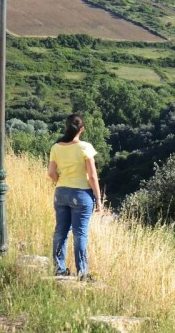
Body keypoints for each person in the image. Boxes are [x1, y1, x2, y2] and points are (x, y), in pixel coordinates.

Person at [47, 114, 102, 279]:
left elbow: (51, 173)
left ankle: (59, 268)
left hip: (61, 192)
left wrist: (62, 182)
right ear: (82, 129)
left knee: (60, 232)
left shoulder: (56, 147)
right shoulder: (85, 147)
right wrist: (98, 199)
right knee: (80, 233)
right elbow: (92, 176)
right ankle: (82, 272)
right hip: (81, 193)